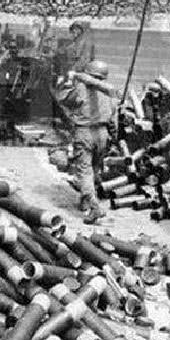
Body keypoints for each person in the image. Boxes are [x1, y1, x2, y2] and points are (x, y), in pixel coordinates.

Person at [55, 60, 114, 224]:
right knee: (94, 168)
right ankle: (85, 201)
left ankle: (95, 207)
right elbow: (113, 117)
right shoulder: (108, 91)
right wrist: (113, 136)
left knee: (84, 171)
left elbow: (64, 99)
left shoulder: (81, 88)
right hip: (103, 133)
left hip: (85, 132)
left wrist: (67, 82)